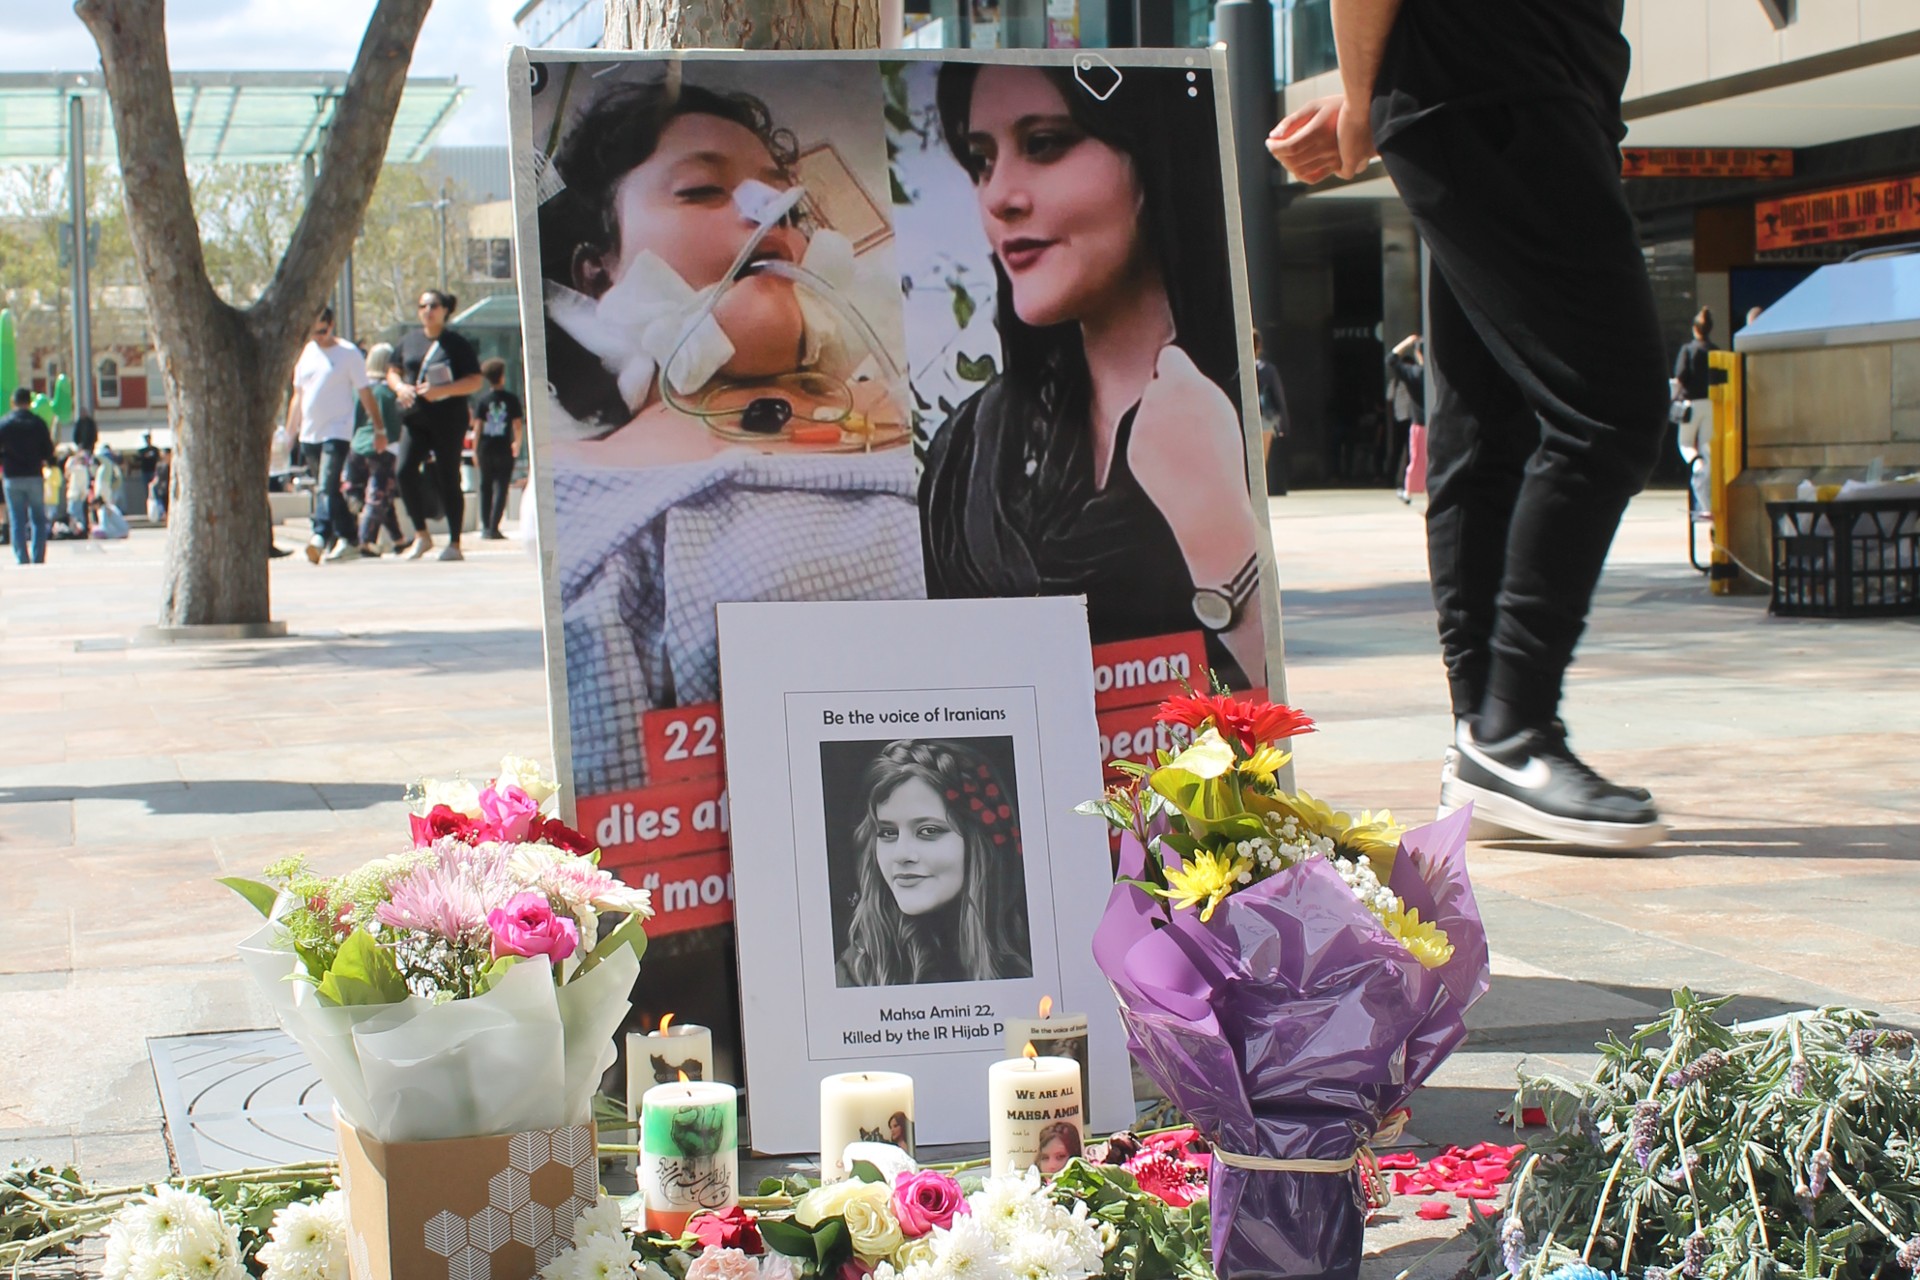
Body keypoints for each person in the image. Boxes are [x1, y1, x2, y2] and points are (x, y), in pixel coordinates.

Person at [1269, 0, 1667, 848]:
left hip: (1523, 86)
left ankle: (1484, 738)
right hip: (1493, 83)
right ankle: (1511, 729)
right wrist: (1366, 95)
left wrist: (1370, 99)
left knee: (1488, 427)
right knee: (1610, 410)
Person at [920, 64, 1266, 687]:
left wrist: (1221, 537)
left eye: (1044, 144)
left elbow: (1274, 729)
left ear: (1148, 157)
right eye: (982, 160)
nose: (1000, 195)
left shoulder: (1231, 412)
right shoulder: (967, 453)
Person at [835, 739, 1032, 988]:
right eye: (887, 833)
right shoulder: (855, 973)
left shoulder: (1037, 953)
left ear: (980, 842)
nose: (901, 854)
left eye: (928, 831)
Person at [390, 289, 484, 561]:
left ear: (445, 310)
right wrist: (400, 388)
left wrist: (444, 391)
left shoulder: (456, 344)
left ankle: (454, 543)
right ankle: (421, 534)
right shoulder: (409, 340)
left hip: (448, 419)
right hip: (415, 418)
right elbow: (392, 369)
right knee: (404, 470)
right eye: (422, 306)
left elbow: (475, 380)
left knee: (448, 477)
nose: (427, 310)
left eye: (433, 305)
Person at [287, 307, 380, 563]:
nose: (319, 336)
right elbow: (298, 396)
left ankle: (320, 533)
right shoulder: (306, 353)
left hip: (337, 430)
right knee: (326, 488)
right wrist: (289, 432)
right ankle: (348, 537)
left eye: (323, 330)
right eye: (314, 332)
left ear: (332, 324)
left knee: (327, 483)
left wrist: (378, 427)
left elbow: (365, 392)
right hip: (310, 432)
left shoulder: (348, 353)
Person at [355, 344, 406, 555]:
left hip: (359, 445)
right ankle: (364, 540)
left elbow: (356, 419)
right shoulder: (386, 393)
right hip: (384, 448)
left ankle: (398, 539)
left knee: (385, 494)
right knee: (378, 494)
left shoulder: (362, 390)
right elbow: (392, 426)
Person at [471, 358, 524, 540]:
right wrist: (517, 442)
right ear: (502, 376)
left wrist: (474, 450)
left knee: (485, 486)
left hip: (485, 448)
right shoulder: (511, 399)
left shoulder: (483, 400)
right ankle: (494, 526)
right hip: (503, 447)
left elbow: (477, 427)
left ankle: (486, 526)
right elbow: (517, 424)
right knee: (501, 486)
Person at [1671, 307, 1717, 518]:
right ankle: (1707, 502)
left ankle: (1697, 466)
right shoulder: (1715, 350)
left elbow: (1680, 376)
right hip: (1710, 403)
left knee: (1686, 444)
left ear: (1694, 328)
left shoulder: (1688, 350)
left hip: (1690, 404)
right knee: (1708, 448)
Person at [1, 387, 54, 565]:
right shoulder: (38, 423)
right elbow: (48, 451)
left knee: (16, 519)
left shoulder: (4, 424)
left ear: (13, 402)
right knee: (38, 518)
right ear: (30, 402)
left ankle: (21, 558)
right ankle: (38, 556)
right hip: (33, 474)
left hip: (12, 476)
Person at [1385, 334, 1427, 503]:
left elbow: (1391, 359)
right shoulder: (1436, 373)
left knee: (1416, 457)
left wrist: (1409, 342)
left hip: (1419, 423)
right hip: (1439, 423)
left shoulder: (1414, 374)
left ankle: (1409, 491)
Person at [1253, 330, 1290, 496]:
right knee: (1262, 456)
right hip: (1265, 417)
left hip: (1243, 417)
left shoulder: (1236, 368)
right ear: (1259, 346)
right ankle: (1259, 489)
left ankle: (1252, 489)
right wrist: (1284, 423)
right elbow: (1278, 396)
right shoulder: (1267, 369)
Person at [63, 442, 95, 532]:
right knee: (80, 513)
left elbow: (67, 469)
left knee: (72, 512)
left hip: (74, 494)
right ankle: (82, 529)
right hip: (81, 495)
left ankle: (76, 530)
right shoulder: (85, 470)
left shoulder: (77, 469)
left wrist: (72, 458)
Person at [149, 448, 170, 525]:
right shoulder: (159, 465)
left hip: (169, 487)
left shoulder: (172, 465)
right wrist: (152, 485)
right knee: (164, 506)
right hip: (162, 488)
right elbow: (157, 477)